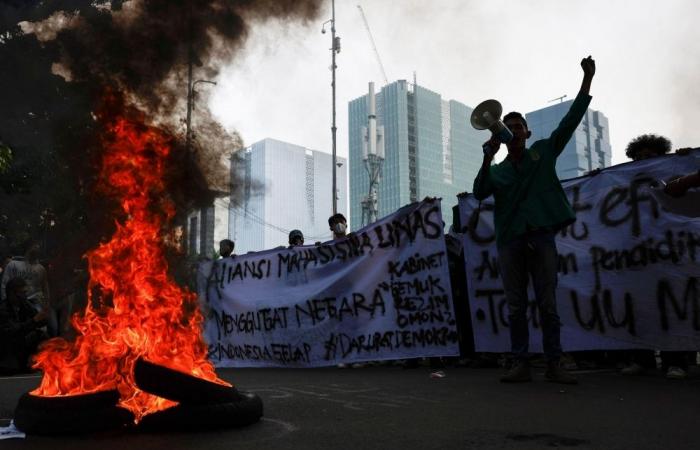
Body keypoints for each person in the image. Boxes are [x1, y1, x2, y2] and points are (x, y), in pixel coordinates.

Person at [472, 56, 597, 384]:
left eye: (516, 127)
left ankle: (553, 363)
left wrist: (587, 81)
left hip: (540, 236)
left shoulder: (543, 152)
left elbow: (570, 121)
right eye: (506, 127)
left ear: (526, 132)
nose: (512, 131)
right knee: (515, 306)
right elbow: (479, 191)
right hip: (510, 240)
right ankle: (521, 363)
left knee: (547, 302)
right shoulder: (497, 171)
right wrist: (487, 159)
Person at [619, 137, 696, 379]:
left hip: (671, 252)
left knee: (673, 306)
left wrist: (686, 160)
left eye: (649, 155)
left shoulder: (675, 172)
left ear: (662, 155)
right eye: (638, 157)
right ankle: (642, 359)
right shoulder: (626, 181)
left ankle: (677, 361)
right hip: (640, 255)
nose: (643, 160)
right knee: (643, 307)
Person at [0, 277, 49, 374]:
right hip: (7, 345)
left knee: (42, 336)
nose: (25, 295)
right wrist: (34, 321)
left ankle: (38, 363)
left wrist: (43, 316)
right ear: (12, 294)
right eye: (22, 293)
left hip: (21, 340)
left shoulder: (24, 304)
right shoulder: (3, 309)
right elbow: (13, 330)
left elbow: (41, 320)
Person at [1, 241, 50, 313]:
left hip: (35, 302)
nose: (36, 250)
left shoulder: (41, 269)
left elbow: (45, 287)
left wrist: (46, 302)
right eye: (34, 247)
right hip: (16, 301)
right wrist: (5, 300)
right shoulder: (13, 264)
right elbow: (5, 283)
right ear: (28, 249)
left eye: (38, 248)